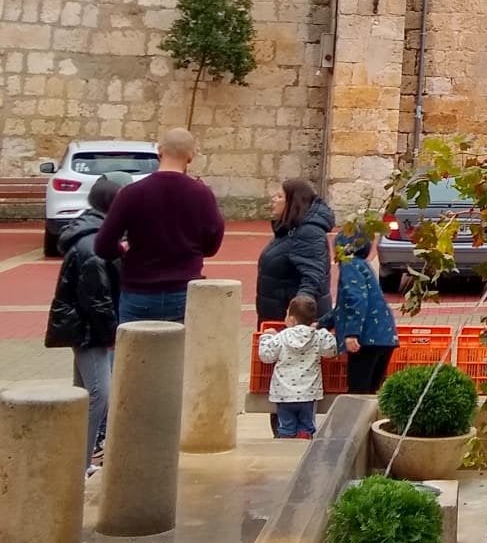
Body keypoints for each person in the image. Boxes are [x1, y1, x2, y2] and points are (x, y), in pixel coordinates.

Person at [93, 127, 224, 321]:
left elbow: (103, 246)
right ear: (191, 156)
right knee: (179, 350)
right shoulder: (202, 194)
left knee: (135, 350)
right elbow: (212, 244)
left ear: (159, 152)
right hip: (184, 290)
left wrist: (122, 249)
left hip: (139, 291)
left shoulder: (131, 193)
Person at [45, 176, 122, 471]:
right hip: (88, 330)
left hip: (80, 326)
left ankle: (77, 457)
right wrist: (110, 334)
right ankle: (80, 461)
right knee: (99, 396)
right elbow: (97, 299)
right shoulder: (94, 245)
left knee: (83, 391)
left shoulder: (89, 234)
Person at [255, 178, 336, 327]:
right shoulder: (289, 230)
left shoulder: (308, 232)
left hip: (295, 325)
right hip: (279, 319)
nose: (274, 200)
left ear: (292, 202)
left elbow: (313, 276)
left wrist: (297, 313)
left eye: (279, 197)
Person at [256, 293, 336, 440]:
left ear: (291, 319)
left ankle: (286, 449)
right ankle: (303, 449)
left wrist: (267, 336)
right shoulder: (317, 336)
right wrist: (325, 332)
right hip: (308, 393)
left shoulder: (281, 336)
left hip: (284, 393)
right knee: (307, 425)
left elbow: (266, 356)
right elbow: (331, 351)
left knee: (286, 426)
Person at [333, 234, 398, 394]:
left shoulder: (349, 266)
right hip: (384, 336)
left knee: (358, 393)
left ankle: (356, 420)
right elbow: (345, 306)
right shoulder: (363, 265)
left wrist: (351, 333)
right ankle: (370, 420)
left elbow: (356, 300)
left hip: (367, 339)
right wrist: (322, 322)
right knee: (371, 392)